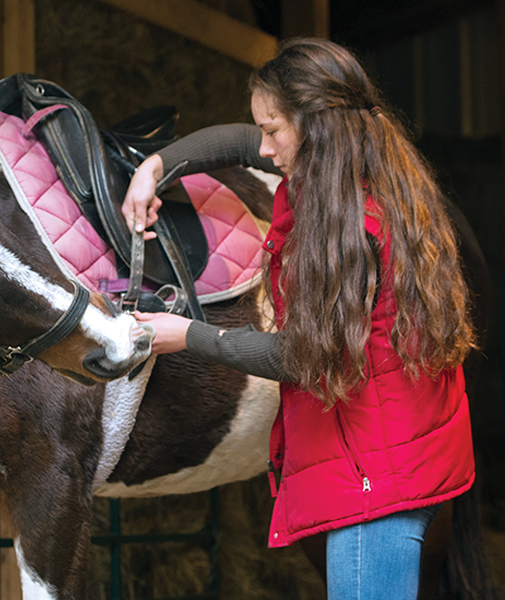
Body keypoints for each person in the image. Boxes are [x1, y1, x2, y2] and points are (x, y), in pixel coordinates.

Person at [121, 37, 476, 599]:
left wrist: (187, 334)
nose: (261, 148)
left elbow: (301, 356)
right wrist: (155, 166)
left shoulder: (348, 232)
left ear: (315, 126)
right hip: (408, 454)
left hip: (373, 486)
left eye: (273, 130)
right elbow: (239, 143)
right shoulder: (380, 174)